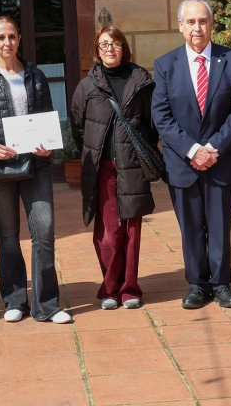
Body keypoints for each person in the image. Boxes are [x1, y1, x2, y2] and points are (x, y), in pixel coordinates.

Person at [0, 16, 73, 324]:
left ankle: (47, 305)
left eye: (12, 36)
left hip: (35, 164)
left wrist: (49, 145)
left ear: (20, 38)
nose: (7, 43)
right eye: (1, 38)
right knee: (8, 235)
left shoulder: (36, 75)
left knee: (44, 230)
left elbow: (46, 118)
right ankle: (15, 300)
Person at [152, 0, 231, 309]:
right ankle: (197, 284)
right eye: (191, 22)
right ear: (180, 26)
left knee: (219, 225)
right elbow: (162, 115)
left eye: (203, 21)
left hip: (222, 160)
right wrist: (193, 150)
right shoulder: (166, 65)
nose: (197, 28)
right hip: (183, 163)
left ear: (212, 24)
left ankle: (221, 284)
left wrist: (213, 149)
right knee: (191, 226)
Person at [70, 26, 157, 310]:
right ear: (96, 50)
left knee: (132, 229)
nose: (110, 49)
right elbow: (78, 127)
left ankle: (130, 288)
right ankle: (110, 288)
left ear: (124, 48)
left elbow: (151, 124)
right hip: (103, 167)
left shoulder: (141, 79)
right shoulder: (87, 85)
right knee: (109, 232)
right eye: (104, 44)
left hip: (131, 165)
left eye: (116, 43)